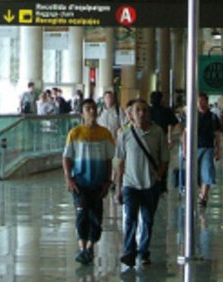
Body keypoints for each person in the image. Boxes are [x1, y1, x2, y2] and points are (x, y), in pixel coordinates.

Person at [115, 99, 169, 267]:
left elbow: (164, 159)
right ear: (131, 113)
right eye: (137, 110)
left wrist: (158, 176)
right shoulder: (125, 134)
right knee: (130, 219)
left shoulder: (157, 132)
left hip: (150, 184)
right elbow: (120, 162)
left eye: (144, 110)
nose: (141, 113)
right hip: (130, 184)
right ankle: (129, 252)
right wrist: (118, 187)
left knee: (147, 219)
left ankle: (144, 251)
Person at [62, 99, 115, 265]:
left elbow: (109, 159)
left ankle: (91, 246)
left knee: (96, 216)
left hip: (98, 183)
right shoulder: (74, 133)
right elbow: (66, 157)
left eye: (93, 108)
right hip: (80, 183)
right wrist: (69, 178)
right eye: (88, 109)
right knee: (81, 214)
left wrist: (108, 181)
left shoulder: (105, 134)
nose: (92, 111)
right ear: (82, 114)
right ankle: (82, 247)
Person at [181, 93, 222, 207]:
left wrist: (218, 149)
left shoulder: (213, 117)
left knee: (207, 170)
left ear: (207, 102)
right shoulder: (192, 116)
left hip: (208, 147)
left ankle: (203, 196)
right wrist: (184, 148)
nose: (200, 103)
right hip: (193, 148)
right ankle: (200, 191)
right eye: (198, 101)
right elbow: (185, 133)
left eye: (202, 101)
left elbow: (217, 134)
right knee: (195, 173)